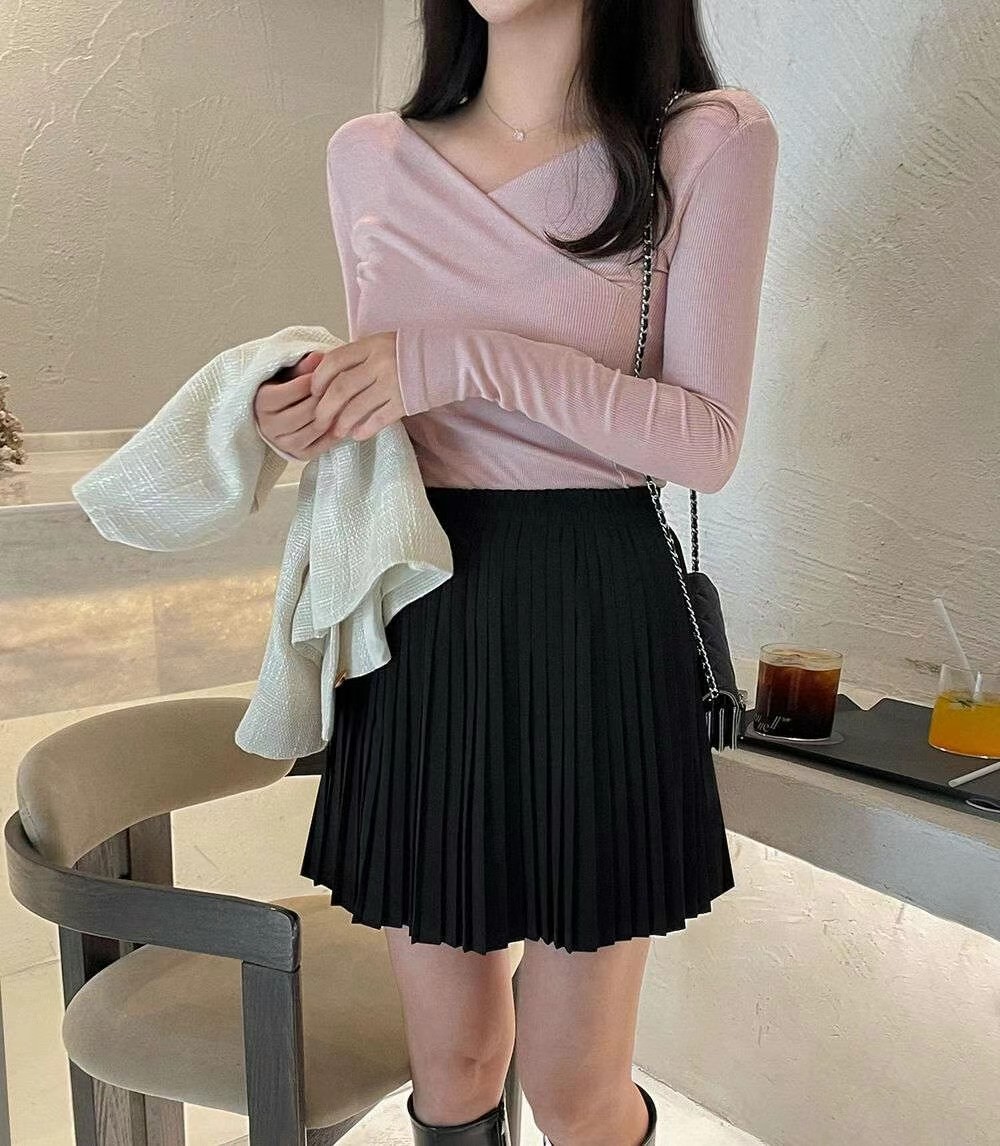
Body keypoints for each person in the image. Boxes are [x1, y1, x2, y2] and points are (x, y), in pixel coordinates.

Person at [254, 2, 779, 1142]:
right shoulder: (367, 155)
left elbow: (705, 443)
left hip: (593, 609)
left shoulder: (704, 140)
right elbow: (395, 411)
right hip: (420, 605)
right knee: (451, 1067)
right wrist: (307, 413)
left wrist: (467, 361)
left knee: (572, 1084)